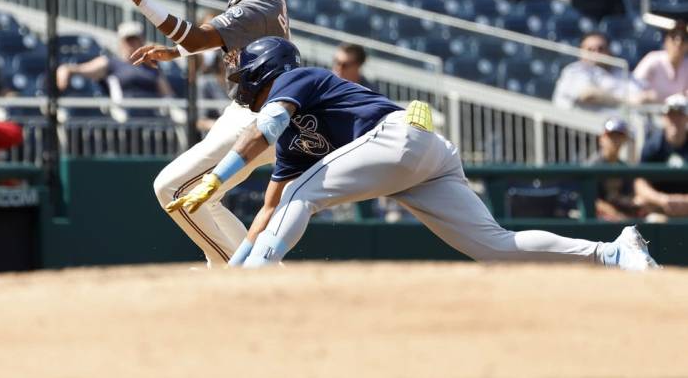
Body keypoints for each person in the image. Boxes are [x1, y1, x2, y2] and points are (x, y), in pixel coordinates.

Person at [166, 37, 659, 271]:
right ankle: (614, 253)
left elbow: (266, 127)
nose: (242, 88)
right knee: (494, 247)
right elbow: (269, 211)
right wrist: (235, 266)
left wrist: (220, 176)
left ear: (263, 71)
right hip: (423, 159)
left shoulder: (295, 77)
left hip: (398, 136)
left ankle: (257, 284)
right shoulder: (296, 147)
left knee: (301, 192)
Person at [116, 0, 291, 265]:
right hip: (248, 110)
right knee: (207, 198)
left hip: (260, 118)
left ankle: (236, 272)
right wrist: (176, 51)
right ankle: (262, 271)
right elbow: (218, 38)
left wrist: (142, 1)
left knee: (170, 188)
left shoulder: (260, 5)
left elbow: (197, 37)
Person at [56, 21, 174, 99]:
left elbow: (168, 95)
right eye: (128, 40)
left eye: (135, 40)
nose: (131, 45)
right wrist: (66, 69)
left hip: (155, 119)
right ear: (121, 43)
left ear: (142, 42)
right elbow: (81, 70)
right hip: (126, 117)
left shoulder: (151, 66)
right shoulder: (111, 63)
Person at [552, 32, 644, 112]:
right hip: (577, 128)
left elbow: (641, 96)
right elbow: (588, 94)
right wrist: (626, 101)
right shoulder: (575, 70)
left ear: (609, 51)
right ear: (580, 53)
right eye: (590, 50)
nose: (596, 53)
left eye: (601, 49)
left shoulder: (620, 71)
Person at [634, 93, 688, 219]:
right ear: (664, 117)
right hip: (659, 207)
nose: (675, 120)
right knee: (640, 202)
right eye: (671, 115)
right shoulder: (653, 145)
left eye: (679, 115)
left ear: (686, 118)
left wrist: (685, 200)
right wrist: (663, 199)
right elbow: (640, 183)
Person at [585, 118, 641, 221]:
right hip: (597, 219)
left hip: (620, 215)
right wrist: (616, 214)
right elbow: (591, 200)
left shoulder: (623, 167)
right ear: (602, 138)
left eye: (618, 136)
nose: (615, 140)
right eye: (611, 136)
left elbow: (628, 197)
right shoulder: (593, 165)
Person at [633, 20, 688, 104]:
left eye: (684, 39)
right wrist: (646, 96)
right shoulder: (653, 59)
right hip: (650, 113)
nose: (678, 43)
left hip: (678, 114)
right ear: (666, 41)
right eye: (673, 37)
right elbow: (633, 85)